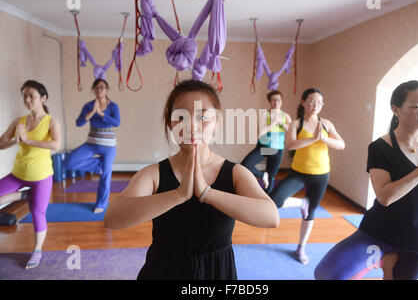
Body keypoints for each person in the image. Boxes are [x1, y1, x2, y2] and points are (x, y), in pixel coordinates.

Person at [104, 79, 280, 280]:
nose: (192, 126)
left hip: (216, 273)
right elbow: (112, 218)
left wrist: (207, 192)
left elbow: (271, 217)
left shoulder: (235, 173)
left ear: (217, 123)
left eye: (202, 116)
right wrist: (178, 195)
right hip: (163, 271)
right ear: (171, 124)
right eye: (181, 116)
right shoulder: (153, 174)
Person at [314, 80, 418, 280]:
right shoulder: (380, 147)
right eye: (416, 106)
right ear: (396, 109)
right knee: (325, 274)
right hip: (377, 234)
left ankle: (388, 264)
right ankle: (384, 259)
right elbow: (385, 197)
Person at [268, 88, 345, 264]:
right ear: (303, 102)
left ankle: (301, 248)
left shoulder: (326, 124)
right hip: (299, 174)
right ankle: (302, 203)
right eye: (311, 101)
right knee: (275, 200)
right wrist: (312, 139)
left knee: (310, 214)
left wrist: (324, 139)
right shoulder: (297, 123)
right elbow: (290, 145)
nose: (315, 105)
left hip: (321, 174)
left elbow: (341, 144)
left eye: (319, 102)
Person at [0, 80, 61, 269]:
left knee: (37, 212)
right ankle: (24, 195)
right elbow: (1, 142)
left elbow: (55, 145)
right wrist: (16, 140)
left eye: (31, 96)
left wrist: (28, 139)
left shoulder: (51, 121)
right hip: (18, 174)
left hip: (41, 176)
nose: (27, 100)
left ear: (43, 98)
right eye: (24, 96)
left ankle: (37, 250)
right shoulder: (20, 121)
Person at [64, 78, 120, 214]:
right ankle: (98, 166)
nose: (99, 90)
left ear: (107, 90)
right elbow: (79, 123)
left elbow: (116, 122)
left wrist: (101, 114)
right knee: (68, 162)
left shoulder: (113, 106)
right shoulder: (88, 106)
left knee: (106, 175)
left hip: (108, 146)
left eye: (102, 87)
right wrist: (90, 114)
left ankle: (101, 203)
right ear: (93, 90)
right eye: (96, 87)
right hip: (91, 144)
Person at [241, 90, 292, 193]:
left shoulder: (285, 116)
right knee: (246, 165)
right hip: (265, 147)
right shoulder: (265, 114)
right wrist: (273, 124)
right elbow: (260, 133)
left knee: (271, 178)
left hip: (277, 149)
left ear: (281, 101)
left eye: (278, 100)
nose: (276, 102)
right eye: (273, 100)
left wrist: (282, 124)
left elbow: (292, 132)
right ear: (269, 102)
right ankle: (262, 175)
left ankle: (266, 199)